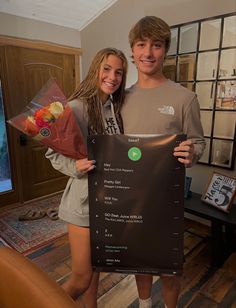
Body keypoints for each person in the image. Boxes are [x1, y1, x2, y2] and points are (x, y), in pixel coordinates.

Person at [121, 16, 205, 308]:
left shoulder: (184, 97)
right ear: (132, 50)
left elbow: (199, 142)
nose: (148, 52)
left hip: (167, 199)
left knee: (169, 265)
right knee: (139, 260)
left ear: (165, 50)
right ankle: (144, 305)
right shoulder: (120, 98)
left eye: (156, 45)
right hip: (130, 197)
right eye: (141, 44)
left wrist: (192, 152)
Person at [46, 48, 128, 307]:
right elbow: (53, 153)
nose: (112, 77)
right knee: (81, 278)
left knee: (96, 268)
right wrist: (76, 166)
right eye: (107, 69)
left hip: (107, 202)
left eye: (118, 72)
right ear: (95, 70)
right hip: (82, 204)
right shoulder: (76, 107)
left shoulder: (114, 109)